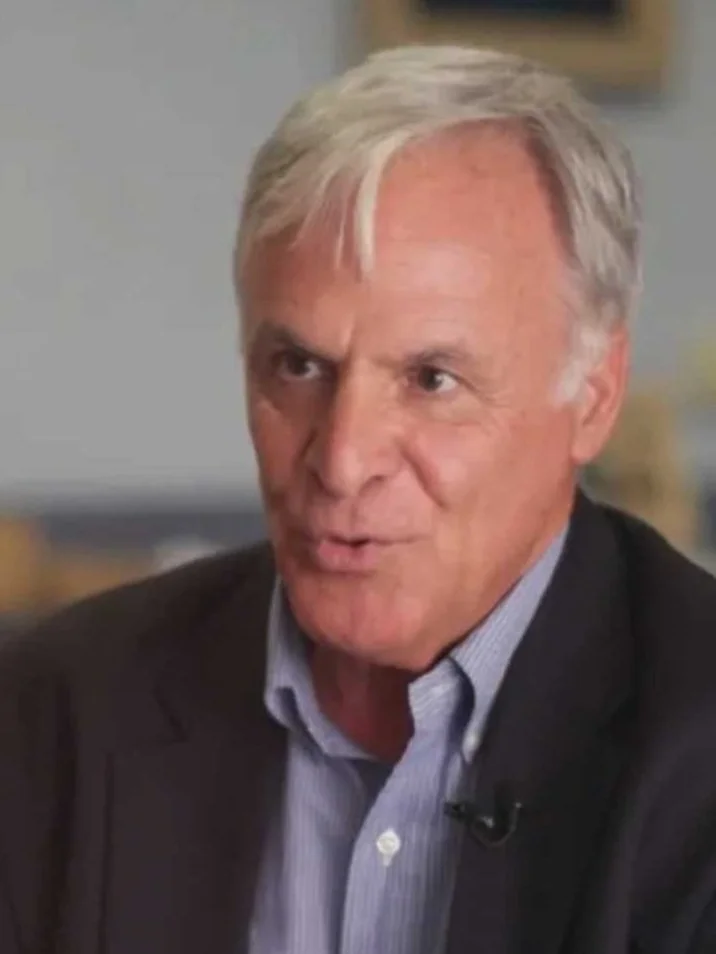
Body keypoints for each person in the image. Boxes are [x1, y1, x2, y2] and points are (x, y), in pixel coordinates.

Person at [1, 45, 716, 954]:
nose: (341, 461)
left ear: (594, 394)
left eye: (431, 379)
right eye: (298, 367)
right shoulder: (58, 713)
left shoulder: (696, 744)